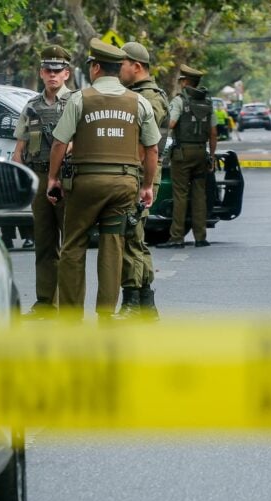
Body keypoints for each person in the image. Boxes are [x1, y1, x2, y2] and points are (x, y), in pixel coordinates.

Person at [46, 39, 160, 322]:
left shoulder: (79, 99)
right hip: (123, 185)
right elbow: (152, 149)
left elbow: (60, 143)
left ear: (95, 68)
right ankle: (106, 315)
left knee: (73, 245)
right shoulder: (139, 102)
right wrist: (147, 186)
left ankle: (71, 317)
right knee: (113, 246)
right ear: (119, 69)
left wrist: (52, 178)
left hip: (85, 185)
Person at [12, 45, 72, 318]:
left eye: (57, 71)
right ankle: (46, 303)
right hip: (37, 175)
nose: (52, 75)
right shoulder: (32, 105)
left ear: (66, 74)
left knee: (70, 244)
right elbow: (19, 148)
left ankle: (70, 304)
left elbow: (82, 140)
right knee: (44, 243)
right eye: (48, 70)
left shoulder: (77, 102)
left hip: (66, 177)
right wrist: (18, 176)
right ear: (41, 73)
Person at [116, 41, 167, 321]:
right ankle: (145, 305)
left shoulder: (148, 98)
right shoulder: (138, 94)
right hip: (137, 173)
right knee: (135, 236)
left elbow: (148, 144)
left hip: (140, 174)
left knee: (130, 236)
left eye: (122, 64)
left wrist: (143, 181)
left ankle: (133, 302)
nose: (118, 70)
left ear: (136, 66)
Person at [157, 64, 217, 249]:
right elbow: (213, 133)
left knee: (180, 195)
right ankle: (201, 237)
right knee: (199, 195)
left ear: (185, 82)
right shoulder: (207, 103)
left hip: (182, 154)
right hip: (201, 152)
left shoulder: (179, 101)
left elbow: (172, 124)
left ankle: (176, 237)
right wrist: (212, 156)